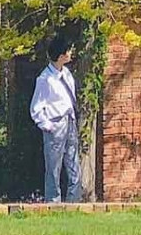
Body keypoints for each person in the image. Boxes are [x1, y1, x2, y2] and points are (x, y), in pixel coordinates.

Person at [29, 34, 82, 203]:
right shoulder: (45, 79)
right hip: (55, 123)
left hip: (69, 121)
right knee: (53, 167)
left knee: (73, 163)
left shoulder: (66, 74)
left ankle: (75, 201)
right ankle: (53, 202)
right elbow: (36, 108)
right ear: (61, 56)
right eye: (68, 51)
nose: (71, 53)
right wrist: (47, 125)